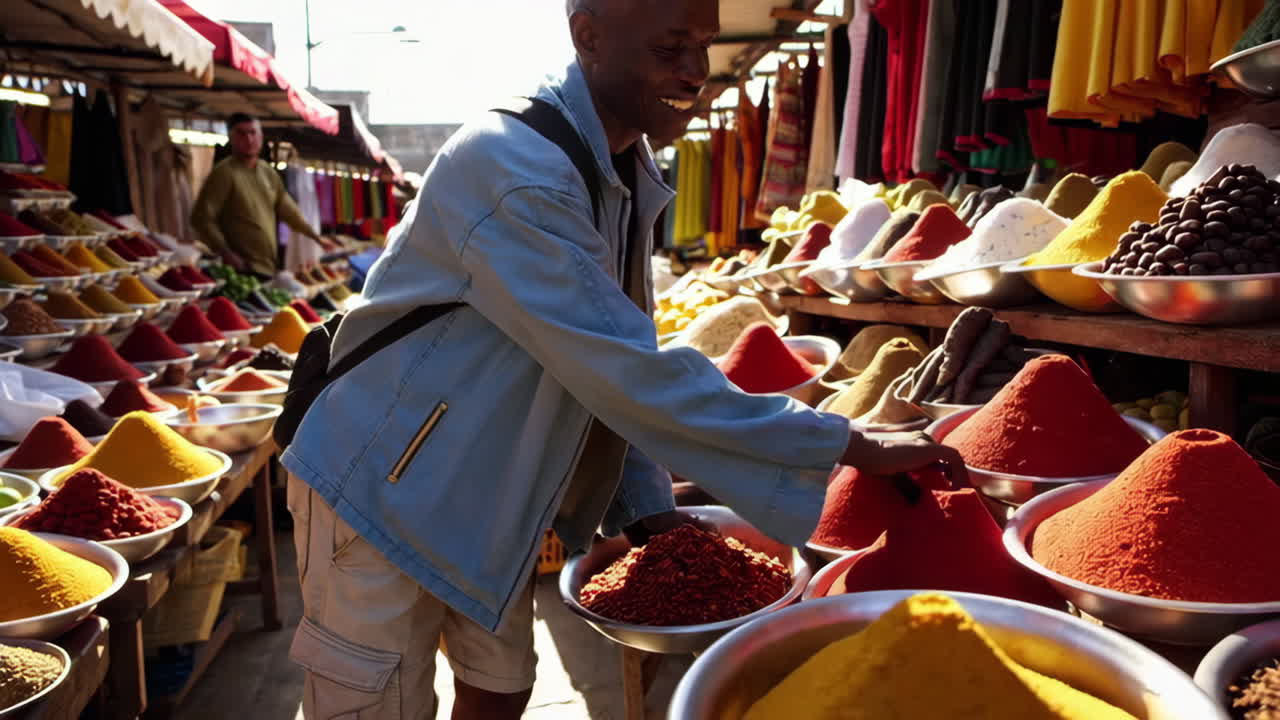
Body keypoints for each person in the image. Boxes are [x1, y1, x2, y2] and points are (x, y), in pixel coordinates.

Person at [280, 1, 964, 718]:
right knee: (377, 701)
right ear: (589, 38)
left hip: (487, 490)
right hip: (380, 485)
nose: (696, 71)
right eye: (672, 47)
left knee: (502, 687)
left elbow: (609, 360)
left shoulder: (620, 163)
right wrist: (844, 441)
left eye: (703, 44)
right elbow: (628, 373)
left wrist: (647, 512)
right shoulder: (516, 168)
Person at [190, 112, 324, 278]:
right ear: (231, 138)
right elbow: (202, 217)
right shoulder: (224, 173)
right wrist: (225, 251)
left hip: (267, 264)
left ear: (260, 137)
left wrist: (316, 236)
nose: (249, 139)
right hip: (239, 268)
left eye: (253, 133)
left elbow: (288, 210)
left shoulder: (267, 172)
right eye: (241, 133)